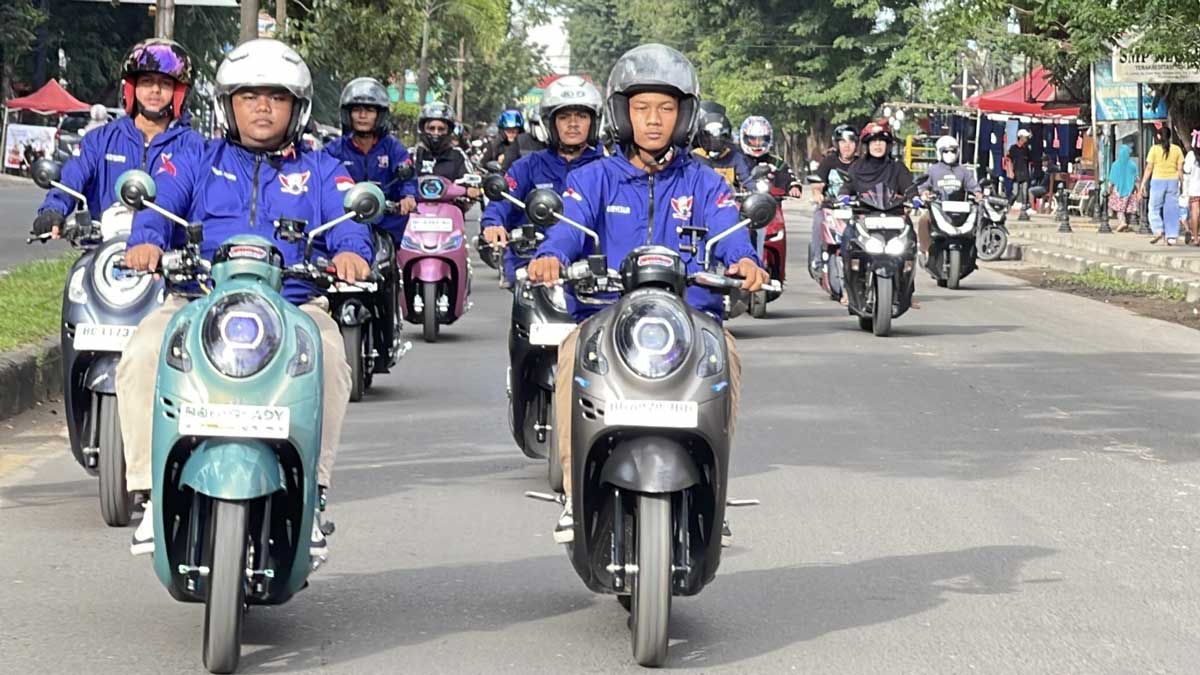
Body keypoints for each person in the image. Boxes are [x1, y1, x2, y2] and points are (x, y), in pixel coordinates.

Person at [118, 38, 373, 559]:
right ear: (226, 104)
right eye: (249, 96)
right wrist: (146, 240)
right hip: (199, 299)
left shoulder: (322, 168)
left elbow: (350, 221)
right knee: (143, 350)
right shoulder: (193, 157)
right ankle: (149, 493)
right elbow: (160, 204)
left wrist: (351, 253)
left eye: (276, 97)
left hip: (296, 305)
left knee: (329, 358)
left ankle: (314, 494)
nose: (262, 107)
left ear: (296, 108)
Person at [524, 43, 769, 544]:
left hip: (690, 320)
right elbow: (567, 230)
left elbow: (729, 232)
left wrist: (745, 260)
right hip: (606, 314)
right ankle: (575, 493)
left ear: (683, 116)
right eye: (641, 108)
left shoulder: (705, 182)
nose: (653, 121)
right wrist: (550, 256)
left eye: (665, 108)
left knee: (729, 355)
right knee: (571, 352)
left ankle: (714, 495)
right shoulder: (592, 178)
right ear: (621, 113)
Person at [32, 39, 205, 238]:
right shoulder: (100, 140)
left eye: (165, 83)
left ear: (179, 93)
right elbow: (74, 175)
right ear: (132, 88)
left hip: (167, 259)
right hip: (103, 252)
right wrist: (53, 210)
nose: (155, 90)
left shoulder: (194, 147)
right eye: (147, 81)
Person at [480, 75, 604, 285]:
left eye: (581, 116)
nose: (573, 124)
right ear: (550, 123)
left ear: (594, 122)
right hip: (533, 268)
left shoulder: (607, 168)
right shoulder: (528, 166)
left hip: (592, 270)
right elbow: (504, 198)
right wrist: (493, 223)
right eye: (564, 117)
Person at [323, 76, 418, 243]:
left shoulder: (393, 148)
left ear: (379, 115)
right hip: (345, 223)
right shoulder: (334, 150)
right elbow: (320, 181)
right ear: (348, 114)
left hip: (386, 225)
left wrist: (408, 196)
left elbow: (407, 176)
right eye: (356, 109)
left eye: (369, 110)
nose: (362, 115)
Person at [840, 120, 916, 306]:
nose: (878, 145)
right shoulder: (857, 167)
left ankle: (908, 289)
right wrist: (843, 196)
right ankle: (848, 288)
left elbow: (910, 188)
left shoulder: (897, 168)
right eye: (873, 141)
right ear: (866, 145)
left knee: (910, 243)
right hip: (864, 217)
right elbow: (847, 186)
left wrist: (915, 198)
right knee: (846, 239)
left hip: (894, 218)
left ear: (888, 145)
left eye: (882, 141)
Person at [914, 135, 981, 257]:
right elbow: (923, 186)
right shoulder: (933, 170)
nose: (950, 154)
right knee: (923, 221)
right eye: (946, 151)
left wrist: (977, 193)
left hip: (960, 210)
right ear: (940, 152)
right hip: (938, 208)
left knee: (975, 222)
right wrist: (925, 193)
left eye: (953, 151)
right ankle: (925, 250)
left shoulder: (963, 171)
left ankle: (971, 252)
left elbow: (973, 185)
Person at [808, 124, 858, 276]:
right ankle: (817, 261)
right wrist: (817, 194)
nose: (847, 146)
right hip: (831, 207)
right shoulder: (829, 161)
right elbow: (818, 184)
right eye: (843, 142)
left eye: (851, 141)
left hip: (856, 208)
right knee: (818, 220)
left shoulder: (862, 163)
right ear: (837, 144)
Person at [412, 101, 479, 196]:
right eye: (431, 128)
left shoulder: (458, 155)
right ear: (423, 129)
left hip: (450, 205)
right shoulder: (413, 154)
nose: (436, 133)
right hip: (416, 207)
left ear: (449, 131)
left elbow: (471, 181)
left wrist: (471, 187)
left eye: (441, 129)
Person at [1139, 126, 1185, 245]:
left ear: (1159, 136)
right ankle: (1172, 237)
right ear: (1169, 136)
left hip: (1158, 180)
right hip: (1173, 181)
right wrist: (1183, 184)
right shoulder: (1177, 150)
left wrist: (1142, 184)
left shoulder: (1154, 149)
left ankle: (1158, 229)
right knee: (1172, 209)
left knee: (1154, 208)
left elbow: (1149, 168)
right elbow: (1180, 170)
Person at [738, 116, 802, 197]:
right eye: (753, 139)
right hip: (741, 205)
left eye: (761, 139)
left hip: (771, 204)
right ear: (744, 137)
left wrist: (793, 187)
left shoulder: (776, 162)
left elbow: (789, 178)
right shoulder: (737, 160)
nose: (757, 143)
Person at [691, 109, 754, 189]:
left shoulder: (735, 157)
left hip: (730, 199)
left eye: (719, 138)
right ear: (701, 137)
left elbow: (746, 180)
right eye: (709, 138)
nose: (714, 142)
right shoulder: (694, 157)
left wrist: (755, 190)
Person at [501, 106, 549, 172]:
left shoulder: (559, 144)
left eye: (545, 124)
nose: (542, 128)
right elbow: (506, 169)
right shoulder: (520, 141)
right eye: (538, 124)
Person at [1108, 144, 1140, 232]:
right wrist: (1139, 191)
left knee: (1119, 209)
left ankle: (1122, 222)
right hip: (1130, 190)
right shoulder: (1132, 165)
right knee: (1127, 209)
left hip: (1118, 190)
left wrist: (1109, 190)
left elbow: (1111, 180)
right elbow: (1136, 179)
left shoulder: (1115, 165)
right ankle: (1126, 224)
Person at [1005, 128, 1033, 213]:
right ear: (1020, 137)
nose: (1026, 139)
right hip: (1016, 173)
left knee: (1025, 192)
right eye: (1025, 137)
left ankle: (1024, 209)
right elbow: (1008, 160)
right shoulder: (1013, 148)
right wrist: (1010, 172)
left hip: (1024, 173)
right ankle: (1008, 205)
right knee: (1015, 192)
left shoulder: (1026, 149)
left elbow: (1029, 161)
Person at [1184, 130, 1200, 245]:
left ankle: (1196, 237)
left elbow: (1186, 170)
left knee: (1195, 213)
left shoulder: (1191, 155)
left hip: (1194, 187)